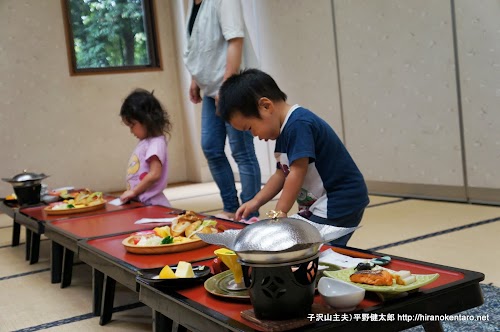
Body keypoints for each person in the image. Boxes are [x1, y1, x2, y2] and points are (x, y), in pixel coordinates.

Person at [218, 69, 370, 246]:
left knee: (311, 248)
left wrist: (279, 212)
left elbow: (297, 171)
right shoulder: (283, 130)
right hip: (321, 203)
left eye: (250, 128)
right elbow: (281, 174)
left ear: (266, 106)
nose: (255, 135)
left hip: (339, 200)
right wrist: (255, 201)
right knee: (300, 244)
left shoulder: (298, 124)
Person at [183, 0, 261, 219]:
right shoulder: (193, 5)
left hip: (233, 85)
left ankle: (249, 212)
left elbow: (235, 40)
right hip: (210, 87)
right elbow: (197, 47)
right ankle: (230, 207)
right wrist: (194, 80)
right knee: (211, 147)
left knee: (241, 151)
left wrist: (227, 88)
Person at [119, 89, 172, 207]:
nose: (131, 131)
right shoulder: (147, 142)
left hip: (152, 202)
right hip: (143, 200)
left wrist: (134, 191)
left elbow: (154, 174)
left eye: (132, 126)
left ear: (147, 120)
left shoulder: (156, 144)